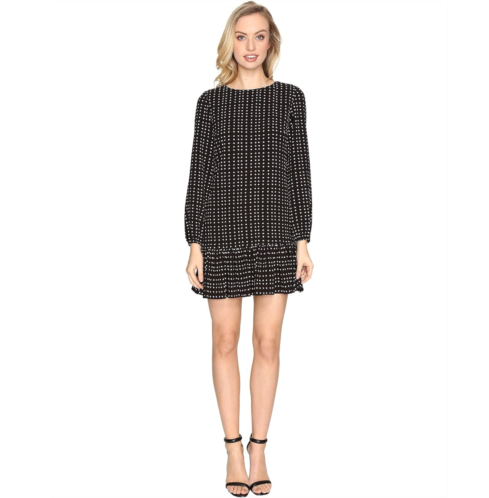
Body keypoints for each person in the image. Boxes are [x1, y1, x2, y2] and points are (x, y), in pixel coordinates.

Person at [184, 2, 314, 495]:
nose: (251, 46)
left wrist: (303, 239)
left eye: (260, 36)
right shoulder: (210, 103)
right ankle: (232, 449)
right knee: (224, 339)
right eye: (242, 36)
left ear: (271, 42)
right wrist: (193, 241)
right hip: (220, 233)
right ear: (230, 42)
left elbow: (299, 171)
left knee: (267, 343)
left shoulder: (290, 98)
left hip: (277, 233)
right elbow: (199, 173)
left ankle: (259, 448)